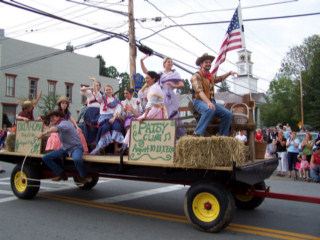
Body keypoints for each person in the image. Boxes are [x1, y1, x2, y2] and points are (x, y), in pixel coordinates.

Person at [37, 110, 92, 183]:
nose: (51, 119)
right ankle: (61, 174)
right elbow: (53, 129)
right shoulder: (58, 124)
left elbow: (55, 129)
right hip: (65, 149)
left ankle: (84, 176)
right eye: (50, 117)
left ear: (58, 117)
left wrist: (43, 133)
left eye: (53, 117)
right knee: (46, 157)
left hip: (76, 147)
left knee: (77, 159)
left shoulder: (64, 123)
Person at [190, 53, 236, 136]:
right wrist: (208, 102)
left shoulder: (210, 77)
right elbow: (200, 91)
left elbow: (220, 78)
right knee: (209, 109)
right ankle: (197, 133)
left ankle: (222, 136)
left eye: (209, 62)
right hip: (199, 101)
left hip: (211, 102)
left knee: (228, 114)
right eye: (206, 62)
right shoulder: (196, 76)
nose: (208, 64)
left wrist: (229, 73)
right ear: (201, 64)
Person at [141, 54, 185, 138]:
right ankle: (163, 137)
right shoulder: (160, 74)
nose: (170, 63)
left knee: (173, 116)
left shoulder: (175, 73)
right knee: (163, 116)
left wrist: (174, 86)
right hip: (161, 96)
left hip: (170, 97)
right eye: (168, 62)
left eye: (171, 62)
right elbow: (147, 72)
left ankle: (174, 138)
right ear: (164, 64)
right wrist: (141, 61)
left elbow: (182, 85)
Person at [123, 71, 167, 148]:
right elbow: (140, 95)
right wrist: (145, 85)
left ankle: (134, 145)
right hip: (154, 110)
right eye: (145, 78)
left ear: (153, 79)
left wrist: (145, 115)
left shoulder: (155, 88)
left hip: (157, 111)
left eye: (147, 78)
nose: (145, 80)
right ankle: (134, 146)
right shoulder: (151, 87)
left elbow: (150, 103)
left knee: (139, 124)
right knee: (137, 125)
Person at [90, 80, 124, 155]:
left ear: (112, 90)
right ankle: (102, 147)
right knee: (105, 127)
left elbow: (117, 110)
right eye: (106, 90)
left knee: (117, 126)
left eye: (109, 89)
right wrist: (94, 81)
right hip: (104, 117)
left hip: (113, 116)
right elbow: (96, 92)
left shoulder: (116, 100)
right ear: (104, 91)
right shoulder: (102, 98)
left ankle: (116, 148)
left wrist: (114, 118)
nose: (108, 91)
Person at [78, 78, 102, 146]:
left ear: (100, 87)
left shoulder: (101, 94)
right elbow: (82, 89)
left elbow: (98, 95)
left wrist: (94, 83)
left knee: (96, 127)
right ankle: (87, 143)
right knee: (88, 127)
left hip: (98, 112)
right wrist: (92, 86)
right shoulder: (89, 93)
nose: (96, 86)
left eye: (97, 85)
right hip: (90, 112)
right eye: (95, 85)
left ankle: (95, 143)